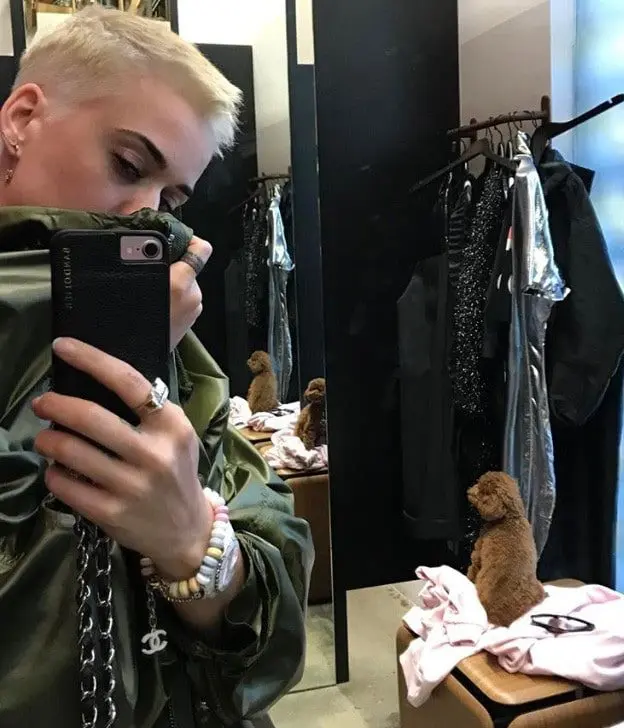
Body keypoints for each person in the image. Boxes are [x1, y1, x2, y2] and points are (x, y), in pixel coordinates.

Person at [0, 8, 313, 728]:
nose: (147, 216)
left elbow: (274, 573)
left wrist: (194, 549)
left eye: (171, 198)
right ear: (21, 120)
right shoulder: (151, 325)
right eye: (129, 165)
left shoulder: (168, 331)